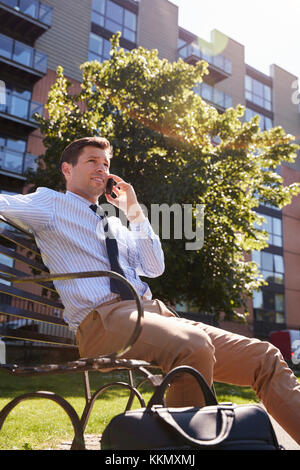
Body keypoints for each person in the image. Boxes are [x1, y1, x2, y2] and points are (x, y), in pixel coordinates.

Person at [0, 136, 299, 444]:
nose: (101, 169)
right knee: (192, 345)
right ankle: (184, 449)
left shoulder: (113, 221)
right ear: (67, 169)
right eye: (92, 161)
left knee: (264, 357)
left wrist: (134, 212)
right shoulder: (50, 203)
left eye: (106, 164)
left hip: (154, 314)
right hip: (103, 321)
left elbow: (154, 267)